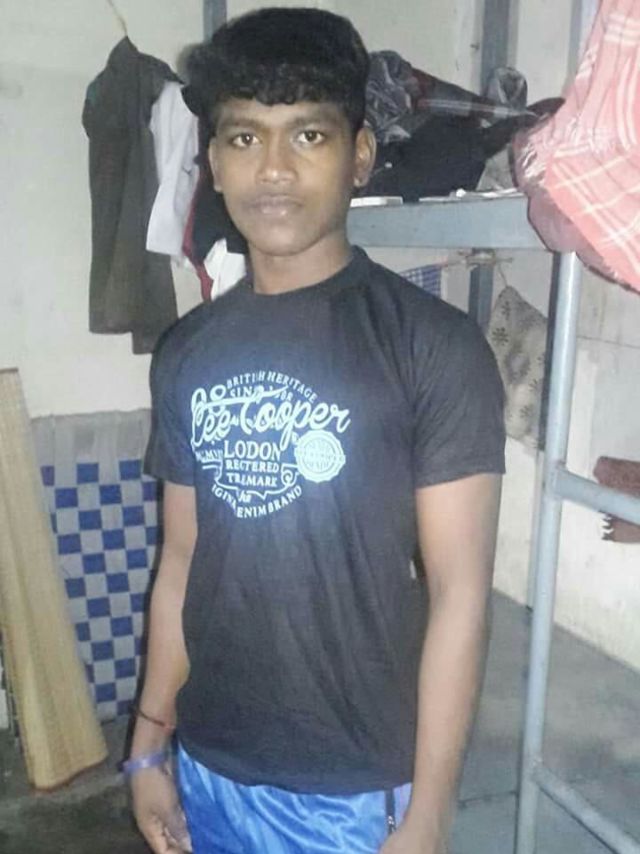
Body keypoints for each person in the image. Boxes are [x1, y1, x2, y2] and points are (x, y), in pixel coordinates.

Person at [127, 8, 505, 854]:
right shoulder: (188, 352)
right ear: (213, 163)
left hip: (355, 791)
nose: (273, 170)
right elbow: (181, 562)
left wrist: (430, 811)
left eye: (307, 136)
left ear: (359, 155)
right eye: (243, 138)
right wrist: (150, 743)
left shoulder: (432, 347)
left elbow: (459, 596)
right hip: (211, 765)